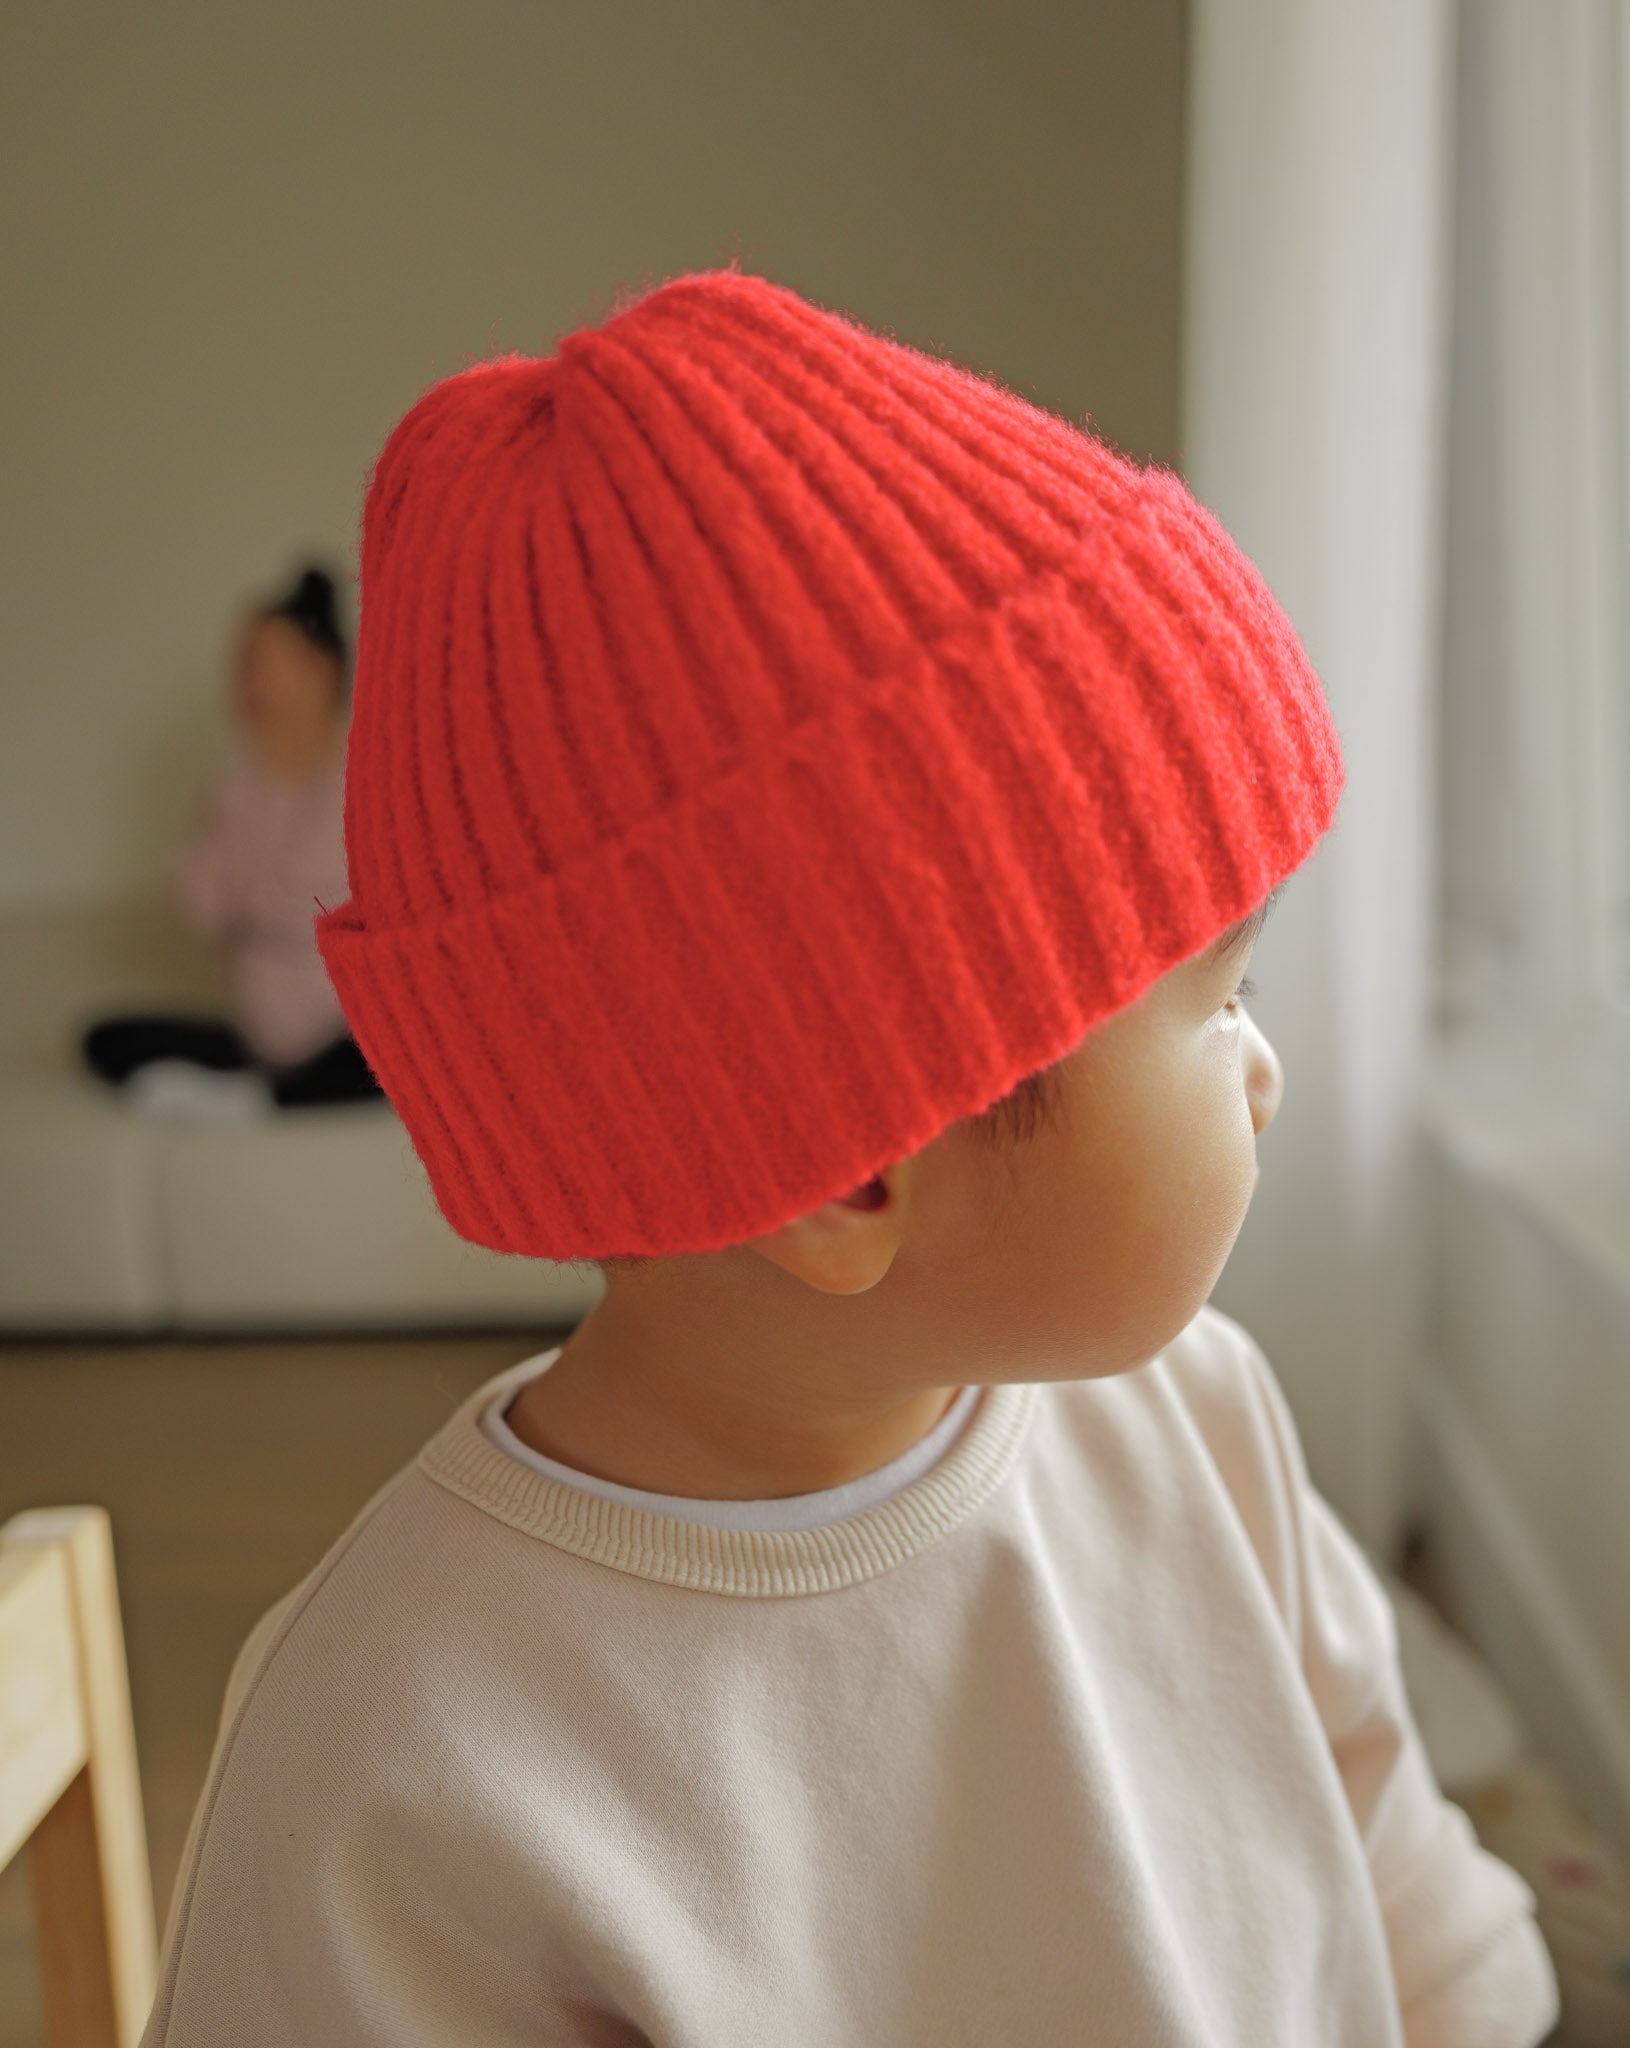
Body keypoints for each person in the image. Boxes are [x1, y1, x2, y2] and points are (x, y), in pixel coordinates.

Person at [137, 271, 1559, 2046]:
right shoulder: (409, 1769)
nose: (1265, 1071)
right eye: (1216, 995)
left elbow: (1409, 1918)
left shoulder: (1194, 1423)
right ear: (856, 1170)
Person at [80, 564, 384, 1115]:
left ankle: (259, 1100)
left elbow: (322, 905)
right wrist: (255, 805)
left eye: (259, 662)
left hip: (348, 1039)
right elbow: (203, 908)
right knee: (103, 1039)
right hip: (259, 1042)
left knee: (399, 1055)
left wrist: (254, 896)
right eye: (240, 664)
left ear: (321, 670)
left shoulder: (363, 775)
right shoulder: (236, 787)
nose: (244, 682)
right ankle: (264, 1094)